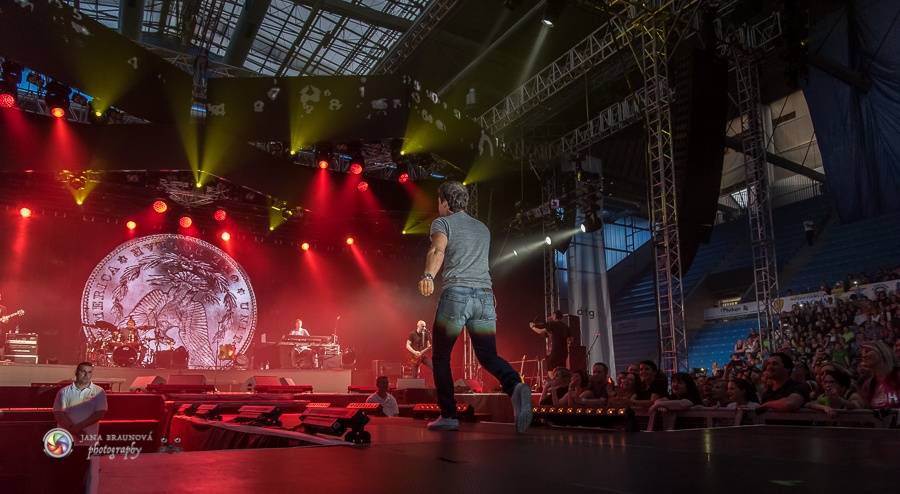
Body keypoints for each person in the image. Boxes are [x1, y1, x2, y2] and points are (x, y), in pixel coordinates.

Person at [417, 181, 531, 432]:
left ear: (445, 201)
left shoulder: (443, 222)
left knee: (440, 356)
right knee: (488, 355)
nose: (438, 205)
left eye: (439, 201)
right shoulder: (483, 228)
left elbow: (438, 250)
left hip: (457, 295)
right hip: (485, 297)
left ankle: (448, 415)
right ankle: (515, 385)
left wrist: (428, 276)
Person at [53, 362, 108, 493]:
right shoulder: (64, 392)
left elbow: (100, 413)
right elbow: (58, 413)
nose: (86, 375)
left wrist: (80, 427)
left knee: (85, 478)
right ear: (76, 372)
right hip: (65, 442)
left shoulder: (99, 392)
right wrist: (74, 428)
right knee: (65, 477)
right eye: (83, 371)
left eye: (89, 372)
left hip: (87, 442)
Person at [858, 341, 900, 409]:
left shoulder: (897, 376)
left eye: (867, 351)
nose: (863, 356)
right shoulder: (867, 384)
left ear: (881, 352)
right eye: (861, 354)